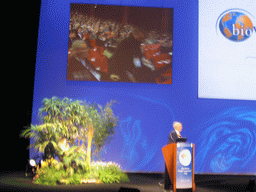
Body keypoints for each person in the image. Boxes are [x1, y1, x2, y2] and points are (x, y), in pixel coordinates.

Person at [160, 121, 183, 192]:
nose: (181, 127)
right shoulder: (172, 133)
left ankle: (172, 185)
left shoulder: (179, 134)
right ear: (175, 127)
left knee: (173, 170)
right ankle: (166, 185)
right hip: (170, 152)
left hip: (176, 153)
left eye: (181, 126)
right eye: (180, 126)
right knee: (169, 169)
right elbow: (174, 141)